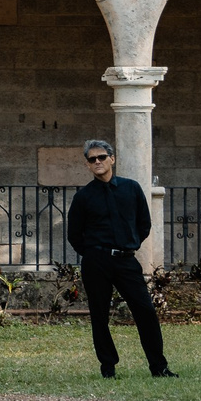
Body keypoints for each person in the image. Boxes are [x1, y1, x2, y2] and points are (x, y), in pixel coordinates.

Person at [65, 140, 175, 379]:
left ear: (112, 159)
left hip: (126, 261)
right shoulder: (83, 197)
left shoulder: (131, 188)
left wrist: (129, 243)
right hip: (96, 262)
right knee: (100, 315)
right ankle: (108, 368)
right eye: (92, 159)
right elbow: (74, 234)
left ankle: (159, 367)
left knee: (145, 311)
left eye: (101, 157)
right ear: (87, 165)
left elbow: (144, 224)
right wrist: (94, 252)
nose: (97, 162)